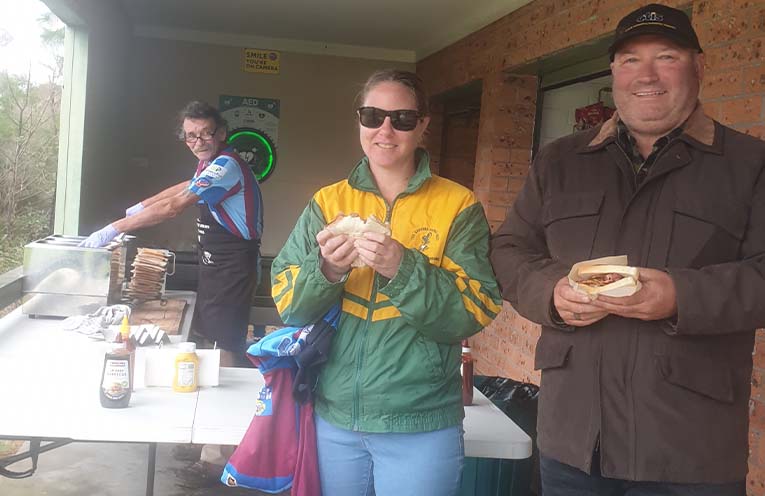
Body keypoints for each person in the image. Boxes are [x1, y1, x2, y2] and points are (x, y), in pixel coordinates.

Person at [491, 3, 765, 494]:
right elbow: (509, 249)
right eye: (630, 60)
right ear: (614, 71)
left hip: (690, 452)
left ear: (699, 67)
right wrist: (550, 292)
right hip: (574, 442)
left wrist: (680, 296)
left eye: (666, 57)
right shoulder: (559, 161)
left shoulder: (749, 164)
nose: (647, 75)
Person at [271, 69, 502, 496]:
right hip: (334, 418)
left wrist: (403, 267)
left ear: (423, 125)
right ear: (359, 120)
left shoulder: (458, 205)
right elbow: (290, 304)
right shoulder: (327, 202)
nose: (385, 130)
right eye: (373, 116)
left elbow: (474, 310)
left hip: (421, 423)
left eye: (403, 119)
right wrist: (327, 270)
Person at [80, 101, 263, 485]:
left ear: (222, 133)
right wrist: (138, 207)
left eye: (207, 133)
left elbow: (176, 206)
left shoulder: (226, 165)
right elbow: (181, 187)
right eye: (192, 136)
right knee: (212, 344)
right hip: (216, 264)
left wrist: (113, 228)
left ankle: (220, 455)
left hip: (233, 267)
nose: (200, 141)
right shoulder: (207, 165)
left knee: (225, 350)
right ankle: (207, 438)